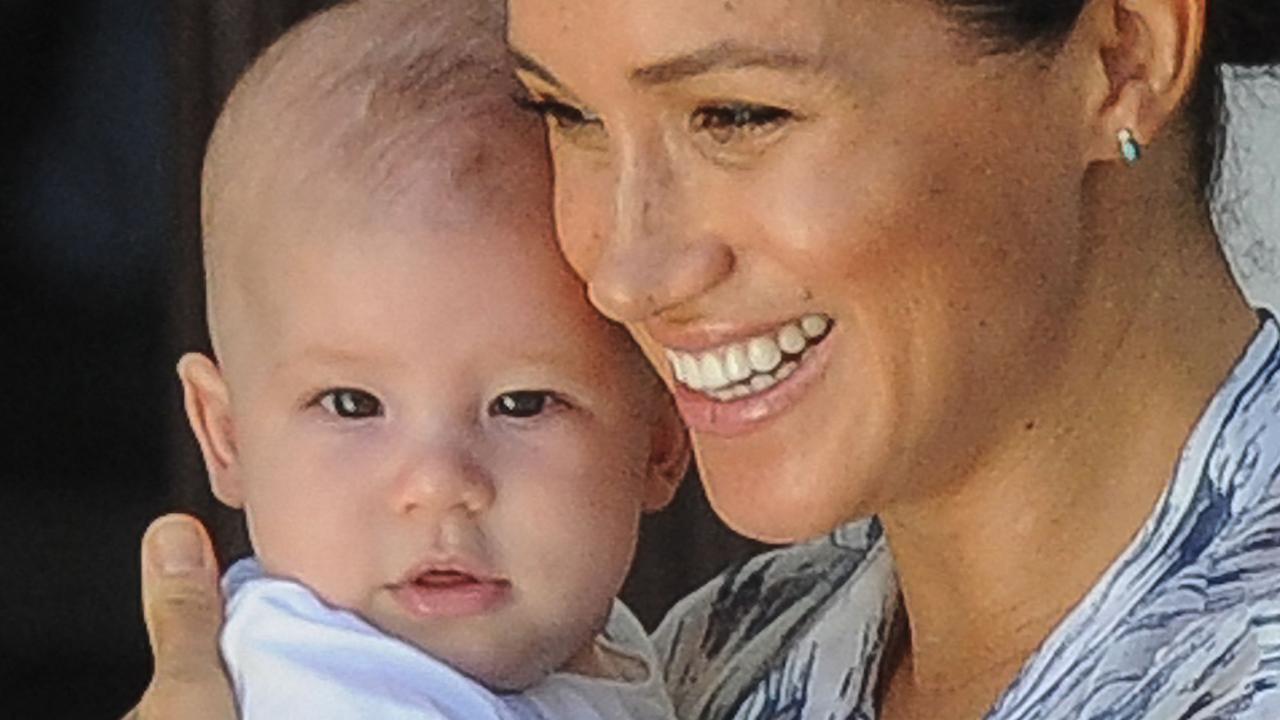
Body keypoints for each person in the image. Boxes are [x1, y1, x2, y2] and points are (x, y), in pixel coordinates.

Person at [128, 0, 1280, 718]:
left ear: (1119, 56)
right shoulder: (716, 651)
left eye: (735, 115)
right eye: (564, 115)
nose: (623, 271)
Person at [152, 1, 687, 718]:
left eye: (521, 404)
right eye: (352, 404)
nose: (439, 484)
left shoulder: (605, 648)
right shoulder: (329, 687)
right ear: (226, 435)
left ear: (661, 439)